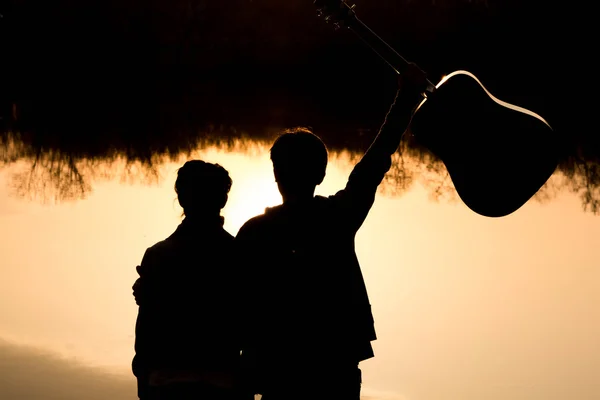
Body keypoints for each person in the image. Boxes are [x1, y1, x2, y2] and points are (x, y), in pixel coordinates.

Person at [234, 64, 429, 400]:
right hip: (334, 368)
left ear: (276, 174)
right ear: (321, 175)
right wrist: (406, 98)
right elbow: (378, 157)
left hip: (275, 370)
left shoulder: (252, 232)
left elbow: (232, 305)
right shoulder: (338, 216)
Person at [132, 160, 251, 400]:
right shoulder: (240, 254)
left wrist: (145, 383)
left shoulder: (157, 255)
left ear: (182, 199)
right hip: (224, 383)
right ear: (223, 201)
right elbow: (251, 326)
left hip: (166, 384)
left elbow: (146, 336)